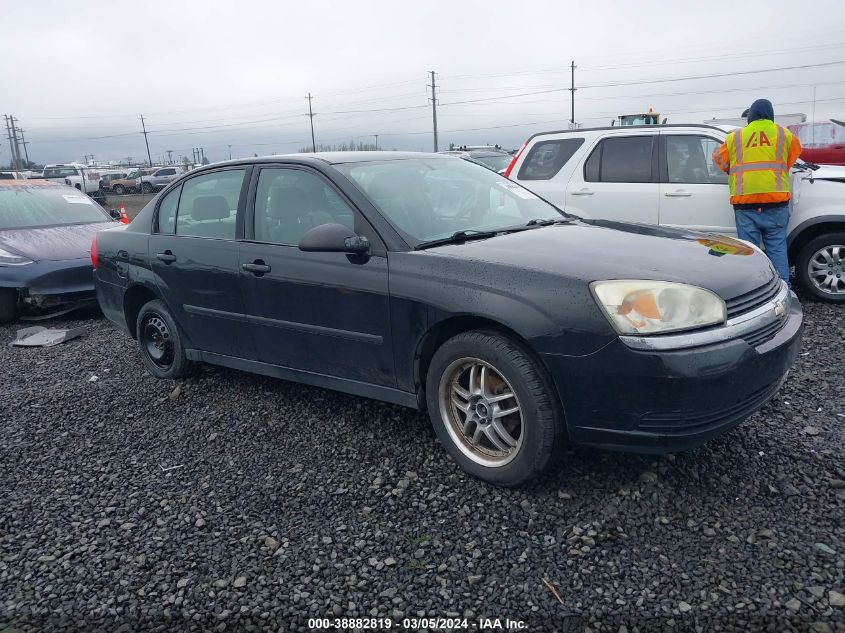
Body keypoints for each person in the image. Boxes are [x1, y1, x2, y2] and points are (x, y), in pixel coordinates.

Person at [712, 99, 802, 285]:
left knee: (749, 250)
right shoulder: (784, 134)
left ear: (750, 116)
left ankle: (754, 288)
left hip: (745, 202)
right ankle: (783, 287)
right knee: (777, 247)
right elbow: (790, 159)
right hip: (776, 201)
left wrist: (733, 169)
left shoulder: (734, 137)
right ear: (771, 115)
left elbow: (718, 160)